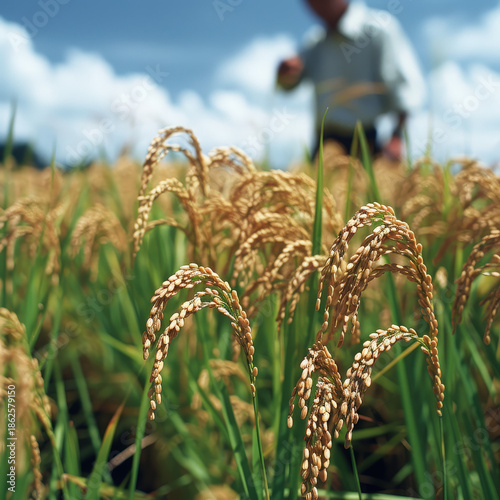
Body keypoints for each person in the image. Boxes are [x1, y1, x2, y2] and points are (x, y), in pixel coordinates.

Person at [277, 0, 425, 160]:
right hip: (323, 146)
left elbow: (404, 87)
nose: (317, 5)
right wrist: (285, 74)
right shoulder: (314, 42)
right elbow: (289, 84)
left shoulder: (378, 28)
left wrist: (397, 136)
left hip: (365, 142)